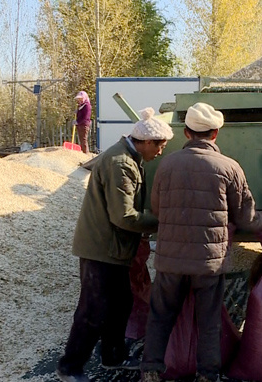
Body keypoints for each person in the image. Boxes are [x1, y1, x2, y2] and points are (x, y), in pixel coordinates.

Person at [140, 102, 262, 382]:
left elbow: (158, 210)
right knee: (208, 321)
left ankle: (150, 370)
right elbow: (245, 218)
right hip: (209, 262)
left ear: (185, 133)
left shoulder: (167, 164)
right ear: (215, 134)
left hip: (170, 259)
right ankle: (207, 375)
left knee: (160, 316)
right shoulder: (229, 167)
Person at [56, 108, 174, 382]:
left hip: (113, 248)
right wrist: (160, 223)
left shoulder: (129, 157)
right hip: (102, 248)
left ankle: (113, 356)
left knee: (121, 303)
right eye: (160, 145)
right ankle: (69, 367)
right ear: (146, 142)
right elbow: (124, 216)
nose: (160, 152)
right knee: (93, 309)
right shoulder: (120, 163)